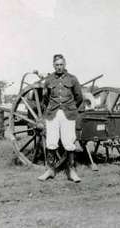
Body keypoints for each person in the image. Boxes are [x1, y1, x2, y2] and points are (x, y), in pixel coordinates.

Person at [38, 54, 83, 182]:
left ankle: (71, 171)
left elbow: (79, 97)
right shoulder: (49, 80)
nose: (59, 67)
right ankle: (50, 170)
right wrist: (51, 109)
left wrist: (70, 108)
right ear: (53, 65)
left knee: (69, 142)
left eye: (61, 65)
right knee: (51, 141)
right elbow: (45, 99)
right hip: (53, 114)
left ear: (65, 65)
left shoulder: (72, 79)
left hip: (68, 114)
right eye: (57, 65)